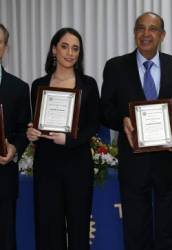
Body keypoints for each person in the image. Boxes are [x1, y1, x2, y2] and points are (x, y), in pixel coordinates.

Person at [100, 12, 172, 250]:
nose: (146, 34)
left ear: (162, 35)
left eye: (152, 29)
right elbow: (104, 109)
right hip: (134, 161)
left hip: (168, 161)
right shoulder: (115, 66)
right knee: (135, 228)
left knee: (169, 228)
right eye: (141, 28)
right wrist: (122, 120)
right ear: (134, 33)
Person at [26, 27, 100, 250]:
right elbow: (36, 124)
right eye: (65, 46)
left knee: (78, 229)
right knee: (48, 229)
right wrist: (32, 134)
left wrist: (69, 140)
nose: (70, 53)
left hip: (77, 164)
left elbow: (93, 125)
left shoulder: (88, 85)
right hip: (47, 165)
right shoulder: (38, 85)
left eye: (75, 48)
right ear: (54, 50)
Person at [0, 24, 31, 250]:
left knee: (5, 238)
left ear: (5, 48)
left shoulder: (19, 88)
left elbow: (23, 131)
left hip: (4, 177)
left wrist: (14, 149)